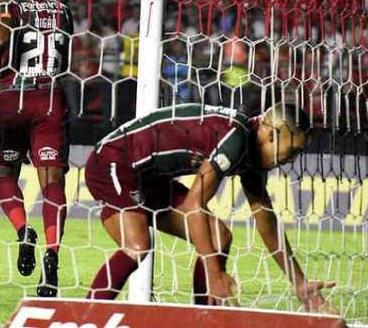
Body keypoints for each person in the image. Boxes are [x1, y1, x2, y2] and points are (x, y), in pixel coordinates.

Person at [84, 103, 338, 314]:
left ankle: (203, 318)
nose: (291, 159)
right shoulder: (235, 138)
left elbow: (266, 220)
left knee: (219, 237)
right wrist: (214, 274)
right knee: (137, 245)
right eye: (292, 151)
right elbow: (195, 204)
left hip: (149, 179)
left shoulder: (251, 156)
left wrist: (299, 282)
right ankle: (85, 316)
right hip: (113, 161)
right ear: (273, 134)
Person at [0, 0, 74, 297]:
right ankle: (52, 254)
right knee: (52, 181)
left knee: (5, 174)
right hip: (50, 97)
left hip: (15, 97)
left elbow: (2, 39)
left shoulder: (12, 6)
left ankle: (23, 231)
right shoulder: (64, 10)